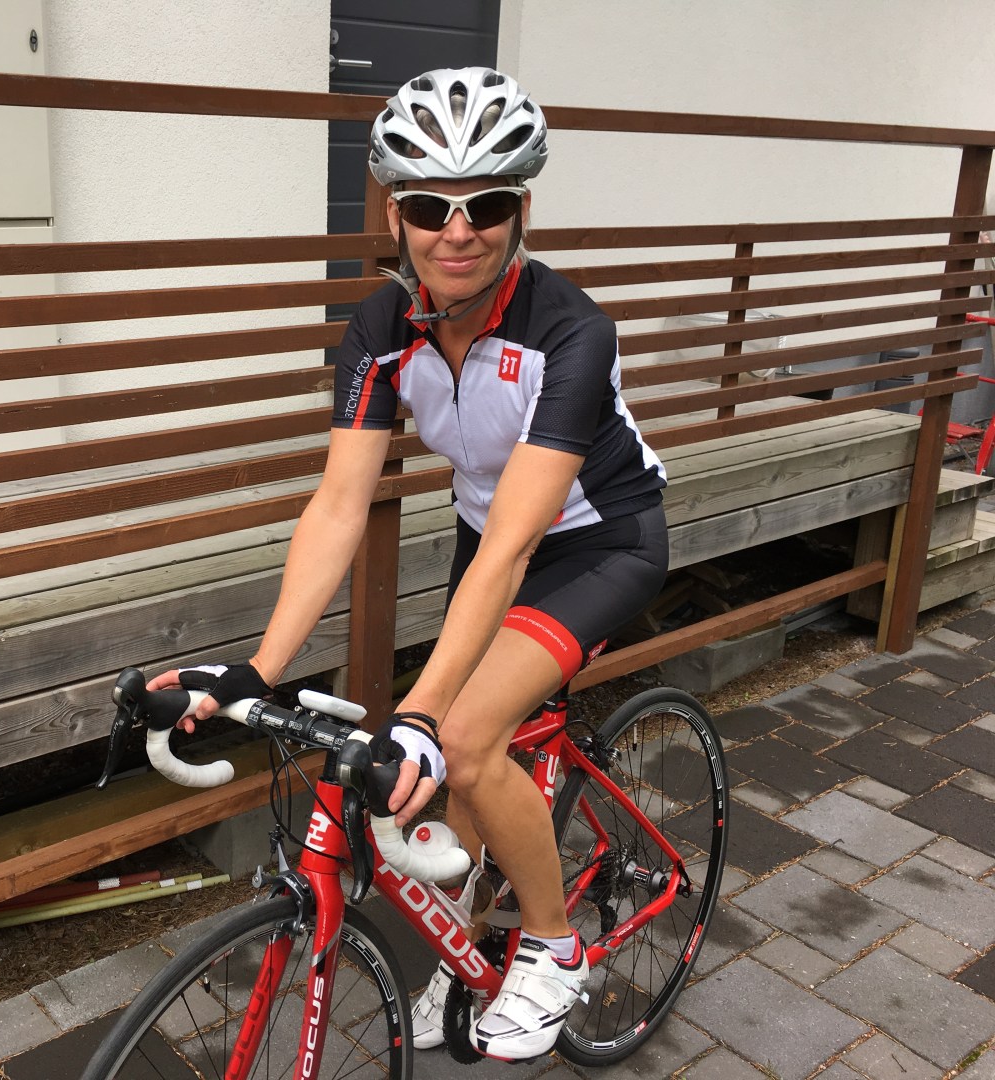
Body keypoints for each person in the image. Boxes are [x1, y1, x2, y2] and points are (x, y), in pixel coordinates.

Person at [152, 66, 668, 1062]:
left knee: (460, 741)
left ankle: (555, 946)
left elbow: (519, 542)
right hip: (491, 542)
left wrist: (425, 717)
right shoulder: (382, 328)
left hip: (600, 543)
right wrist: (259, 668)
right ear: (396, 214)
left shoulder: (571, 332)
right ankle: (471, 955)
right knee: (451, 765)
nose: (457, 231)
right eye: (431, 206)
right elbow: (340, 504)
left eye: (488, 204)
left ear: (523, 211)